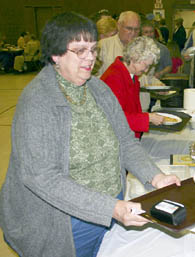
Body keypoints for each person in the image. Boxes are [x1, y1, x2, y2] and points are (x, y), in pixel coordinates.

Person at [0, 12, 180, 257]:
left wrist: (156, 177)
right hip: (68, 221)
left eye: (93, 50)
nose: (90, 58)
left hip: (110, 207)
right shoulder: (38, 101)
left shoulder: (98, 88)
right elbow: (42, 177)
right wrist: (110, 207)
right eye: (80, 51)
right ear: (56, 54)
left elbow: (126, 142)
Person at [100, 36, 165, 138]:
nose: (146, 70)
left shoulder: (131, 75)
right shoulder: (114, 78)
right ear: (134, 57)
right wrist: (148, 118)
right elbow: (114, 118)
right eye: (146, 65)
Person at [96, 11, 141, 76]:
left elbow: (148, 78)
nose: (133, 33)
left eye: (136, 29)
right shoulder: (103, 45)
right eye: (129, 28)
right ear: (119, 26)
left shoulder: (142, 48)